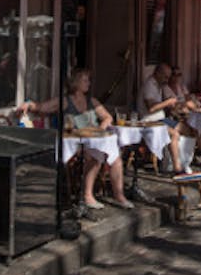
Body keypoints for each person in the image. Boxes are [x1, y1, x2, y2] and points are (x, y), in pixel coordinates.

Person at [19, 68, 134, 209]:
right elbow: (42, 108)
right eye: (85, 80)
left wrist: (100, 129)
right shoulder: (66, 101)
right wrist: (29, 104)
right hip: (74, 142)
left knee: (115, 158)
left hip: (92, 140)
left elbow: (107, 117)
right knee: (94, 156)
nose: (89, 83)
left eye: (88, 80)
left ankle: (119, 195)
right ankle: (87, 196)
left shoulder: (92, 101)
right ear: (75, 83)